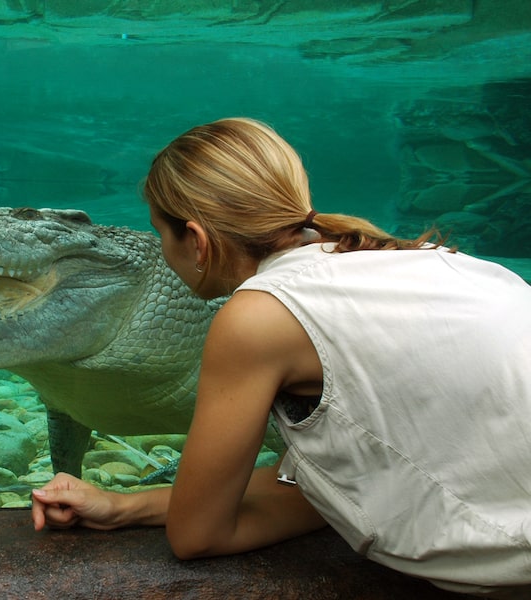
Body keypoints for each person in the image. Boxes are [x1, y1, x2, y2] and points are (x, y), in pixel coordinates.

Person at [31, 118, 531, 598]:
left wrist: (142, 510)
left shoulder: (258, 314)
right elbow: (330, 483)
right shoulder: (445, 263)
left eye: (160, 233)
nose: (161, 249)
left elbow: (198, 535)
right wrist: (122, 506)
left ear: (197, 241)